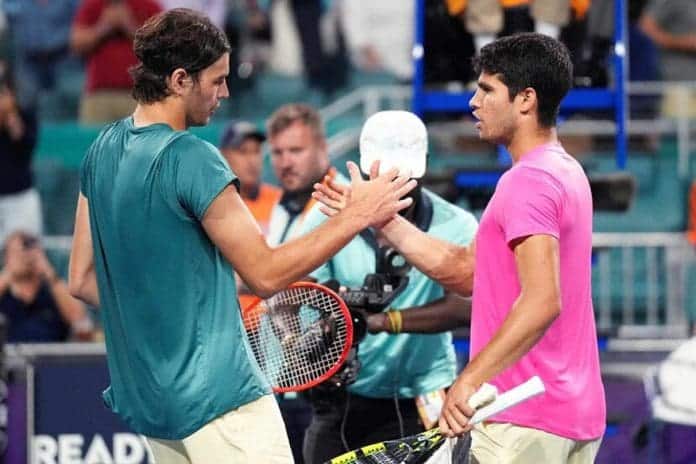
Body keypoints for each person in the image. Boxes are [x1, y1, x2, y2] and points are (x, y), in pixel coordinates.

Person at [68, 9, 416, 464]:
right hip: (221, 401)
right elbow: (267, 274)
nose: (225, 93)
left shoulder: (101, 151)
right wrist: (357, 214)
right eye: (216, 80)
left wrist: (183, 312)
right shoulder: (192, 156)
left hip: (155, 409)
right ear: (179, 80)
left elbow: (81, 280)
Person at [314, 32, 606, 463]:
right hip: (568, 412)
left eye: (487, 89)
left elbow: (543, 300)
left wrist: (470, 380)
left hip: (521, 417)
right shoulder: (563, 171)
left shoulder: (528, 181)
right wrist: (380, 219)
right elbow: (468, 272)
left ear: (525, 100)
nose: (473, 102)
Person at [298, 153, 478, 464]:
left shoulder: (456, 223)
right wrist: (334, 314)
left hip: (423, 390)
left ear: (419, 174)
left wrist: (385, 321)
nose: (391, 189)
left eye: (402, 181)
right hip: (344, 392)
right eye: (380, 179)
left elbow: (466, 306)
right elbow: (299, 286)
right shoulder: (330, 210)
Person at [70, 0, 161, 124]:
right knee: (94, 141)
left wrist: (128, 25)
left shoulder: (149, 5)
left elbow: (160, 47)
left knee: (142, 142)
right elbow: (76, 43)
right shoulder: (93, 5)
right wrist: (103, 27)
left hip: (141, 95)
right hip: (99, 95)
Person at [1, 231, 94, 342]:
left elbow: (81, 323)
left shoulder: (53, 289)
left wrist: (49, 274)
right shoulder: (4, 290)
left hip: (52, 355)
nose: (25, 257)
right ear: (6, 257)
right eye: (17, 254)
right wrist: (9, 273)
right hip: (8, 356)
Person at [266, 102, 337, 246]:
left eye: (296, 150)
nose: (285, 163)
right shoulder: (281, 203)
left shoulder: (345, 206)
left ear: (322, 147)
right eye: (277, 152)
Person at [0, 59, 42, 246]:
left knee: (26, 262)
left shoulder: (24, 114)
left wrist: (13, 121)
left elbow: (27, 148)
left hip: (20, 198)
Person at [219, 120, 281, 235]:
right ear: (223, 156)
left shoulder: (280, 201)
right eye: (243, 152)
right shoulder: (212, 206)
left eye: (256, 151)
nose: (252, 161)